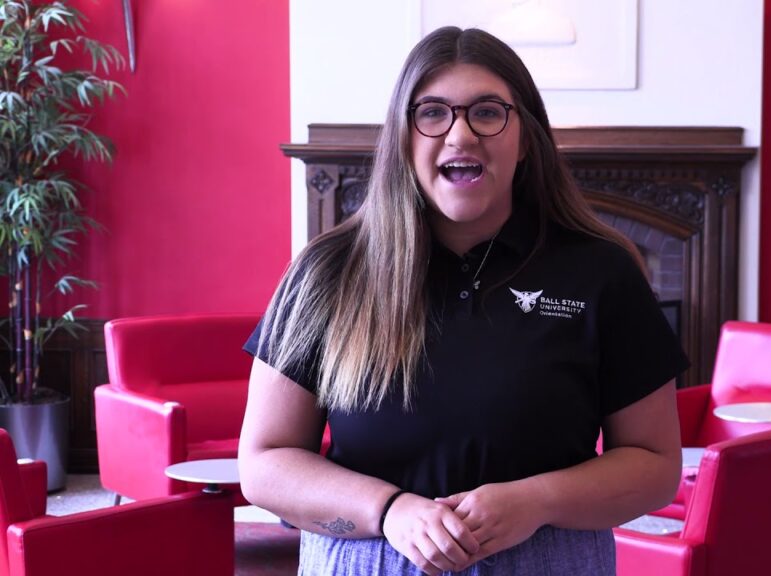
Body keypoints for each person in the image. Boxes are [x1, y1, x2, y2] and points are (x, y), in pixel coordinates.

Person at [239, 26, 687, 576]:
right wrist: (390, 511)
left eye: (488, 112)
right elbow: (265, 464)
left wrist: (536, 500)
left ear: (526, 138)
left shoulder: (603, 270)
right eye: (432, 113)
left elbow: (655, 465)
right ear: (403, 138)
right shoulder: (327, 271)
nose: (461, 135)